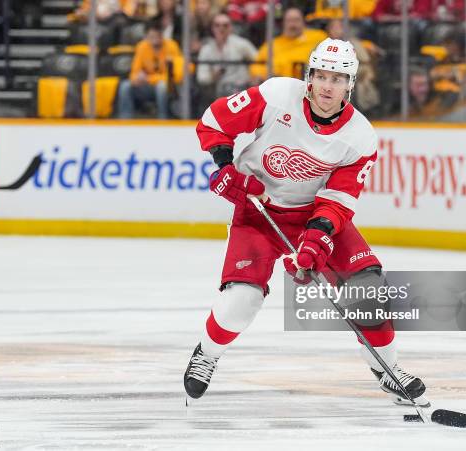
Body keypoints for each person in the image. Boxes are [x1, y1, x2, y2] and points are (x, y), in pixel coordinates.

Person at [183, 38, 429, 407]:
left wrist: (317, 240)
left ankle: (389, 369)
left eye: (338, 78)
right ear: (309, 77)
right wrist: (226, 168)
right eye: (322, 75)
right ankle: (208, 353)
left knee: (368, 287)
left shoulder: (360, 137)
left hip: (313, 212)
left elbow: (339, 200)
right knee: (242, 301)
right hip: (257, 210)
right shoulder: (277, 94)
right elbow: (215, 121)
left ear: (351, 85)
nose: (328, 85)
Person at [116, 21, 184, 118]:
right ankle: (125, 120)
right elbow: (133, 74)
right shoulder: (142, 46)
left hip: (168, 87)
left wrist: (149, 78)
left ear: (162, 35)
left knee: (161, 86)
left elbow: (176, 76)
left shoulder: (172, 46)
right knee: (125, 86)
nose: (155, 39)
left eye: (158, 35)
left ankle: (163, 118)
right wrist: (137, 78)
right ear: (146, 36)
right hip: (146, 86)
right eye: (152, 36)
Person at [250, 7, 327, 83]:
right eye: (289, 20)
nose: (293, 24)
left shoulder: (318, 37)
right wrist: (262, 74)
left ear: (303, 22)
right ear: (283, 23)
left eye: (296, 20)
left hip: (308, 84)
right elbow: (256, 65)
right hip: (279, 85)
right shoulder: (272, 44)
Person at [196, 13, 257, 104]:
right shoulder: (206, 49)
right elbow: (201, 77)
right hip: (217, 93)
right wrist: (213, 76)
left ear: (231, 27)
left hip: (241, 89)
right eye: (217, 25)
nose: (221, 28)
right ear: (212, 28)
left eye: (225, 25)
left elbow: (258, 59)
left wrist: (254, 76)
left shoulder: (241, 44)